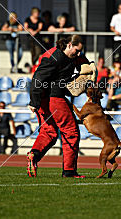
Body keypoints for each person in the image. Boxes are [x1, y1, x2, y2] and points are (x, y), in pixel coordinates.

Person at [28, 35, 88, 178]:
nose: (78, 53)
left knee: (49, 132)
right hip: (53, 99)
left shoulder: (68, 56)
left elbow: (83, 61)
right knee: (71, 132)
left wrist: (88, 65)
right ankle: (69, 171)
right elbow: (37, 79)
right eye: (76, 50)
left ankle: (33, 155)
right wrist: (34, 102)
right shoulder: (54, 57)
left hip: (47, 99)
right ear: (68, 45)